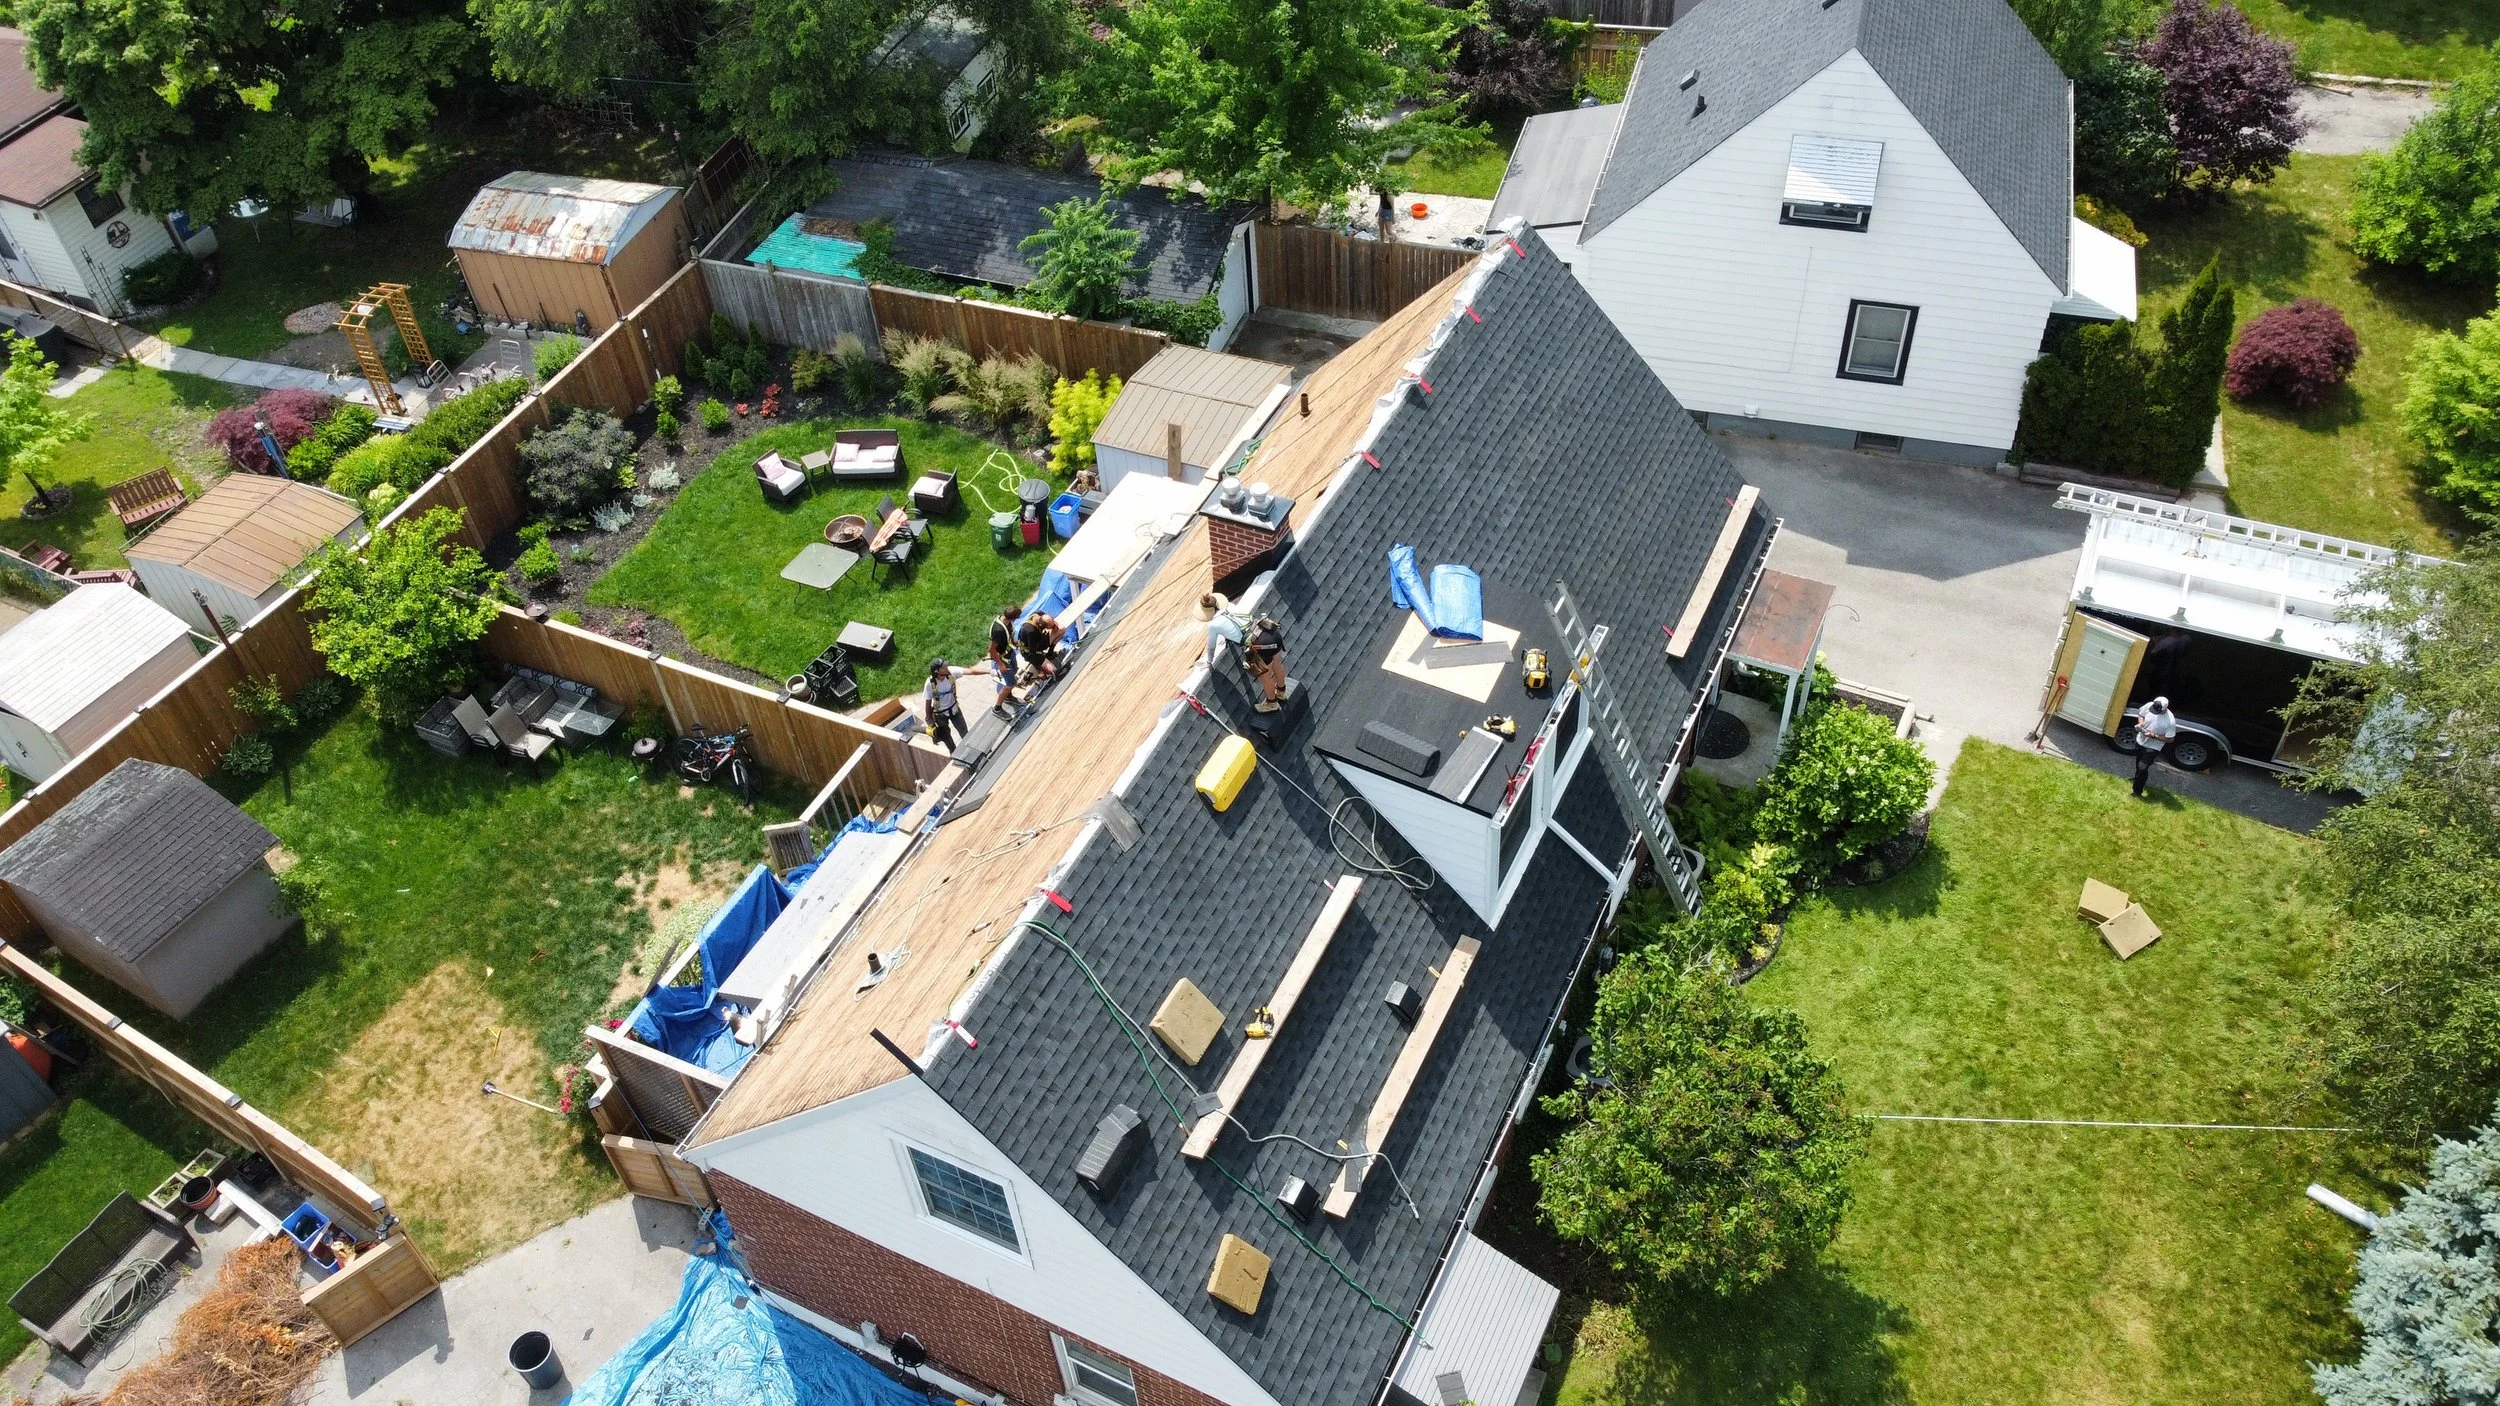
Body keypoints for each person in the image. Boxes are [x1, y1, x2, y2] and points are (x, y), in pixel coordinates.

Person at [2132, 696, 2178, 798]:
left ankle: (2137, 792)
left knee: (2142, 767)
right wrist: (2141, 724)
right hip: (2141, 740)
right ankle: (2137, 778)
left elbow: (2170, 739)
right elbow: (2141, 714)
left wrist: (2153, 736)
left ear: (2164, 709)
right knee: (2138, 763)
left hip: (2153, 746)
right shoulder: (2149, 705)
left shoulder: (2170, 721)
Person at [1244, 615, 1287, 713]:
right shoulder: (1231, 610)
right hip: (1274, 636)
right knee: (1277, 664)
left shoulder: (1214, 626)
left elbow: (1211, 647)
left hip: (1263, 644)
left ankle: (1272, 703)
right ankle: (1281, 692)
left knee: (1265, 677)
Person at [923, 659, 966, 749]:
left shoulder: (950, 674)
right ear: (937, 671)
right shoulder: (929, 684)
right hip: (940, 715)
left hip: (954, 710)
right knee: (946, 738)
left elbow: (970, 671)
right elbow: (928, 702)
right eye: (943, 667)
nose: (947, 668)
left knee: (964, 732)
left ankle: (970, 749)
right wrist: (929, 719)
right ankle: (953, 753)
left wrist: (989, 671)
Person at [1016, 610, 1065, 681]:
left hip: (1040, 641)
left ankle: (1050, 652)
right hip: (1030, 651)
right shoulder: (1031, 632)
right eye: (1049, 627)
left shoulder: (1038, 613)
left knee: (1061, 628)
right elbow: (1032, 653)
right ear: (1041, 625)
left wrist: (1054, 625)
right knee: (1053, 670)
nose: (1051, 628)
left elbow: (1052, 623)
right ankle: (1042, 667)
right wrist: (1039, 670)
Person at [987, 603, 1022, 677]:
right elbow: (991, 649)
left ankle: (1014, 673)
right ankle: (1009, 683)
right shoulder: (998, 631)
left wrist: (1014, 640)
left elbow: (1010, 631)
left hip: (1010, 652)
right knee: (1010, 683)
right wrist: (1001, 664)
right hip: (1003, 658)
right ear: (1013, 618)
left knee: (1015, 669)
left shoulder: (1006, 620)